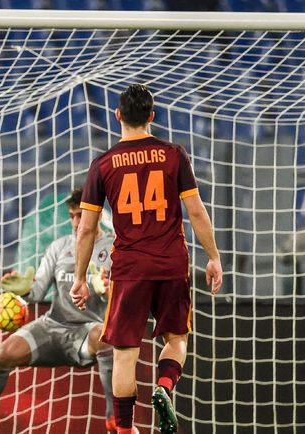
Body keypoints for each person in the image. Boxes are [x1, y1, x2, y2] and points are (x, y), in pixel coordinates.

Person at [70, 84, 223, 434]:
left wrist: (79, 278)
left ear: (117, 115)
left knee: (125, 354)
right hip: (171, 263)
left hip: (130, 268)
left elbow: (87, 228)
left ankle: (125, 430)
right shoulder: (174, 155)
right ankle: (164, 387)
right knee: (176, 339)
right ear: (152, 116)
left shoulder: (103, 164)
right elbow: (196, 211)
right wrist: (213, 257)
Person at [0, 188, 117, 434]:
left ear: (98, 215)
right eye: (71, 216)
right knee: (2, 355)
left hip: (88, 330)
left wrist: (108, 290)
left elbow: (129, 299)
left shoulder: (114, 248)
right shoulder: (59, 247)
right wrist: (24, 289)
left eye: (80, 215)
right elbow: (37, 292)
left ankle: (115, 418)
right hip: (53, 326)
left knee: (106, 337)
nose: (75, 222)